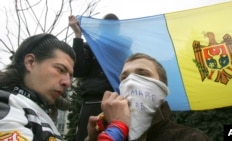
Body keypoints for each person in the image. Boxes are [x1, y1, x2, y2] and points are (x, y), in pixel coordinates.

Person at [0, 33, 130, 141]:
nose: (67, 82)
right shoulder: (6, 105)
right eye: (60, 69)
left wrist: (91, 138)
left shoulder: (36, 111)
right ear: (30, 62)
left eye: (70, 75)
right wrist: (117, 129)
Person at [86, 53, 210, 141]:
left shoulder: (190, 138)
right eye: (124, 78)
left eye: (143, 74)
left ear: (162, 88)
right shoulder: (104, 134)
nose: (131, 82)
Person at [68, 14, 120, 140]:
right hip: (91, 102)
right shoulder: (91, 47)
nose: (110, 31)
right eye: (106, 27)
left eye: (114, 27)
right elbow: (78, 71)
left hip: (115, 103)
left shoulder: (122, 50)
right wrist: (78, 35)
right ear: (101, 29)